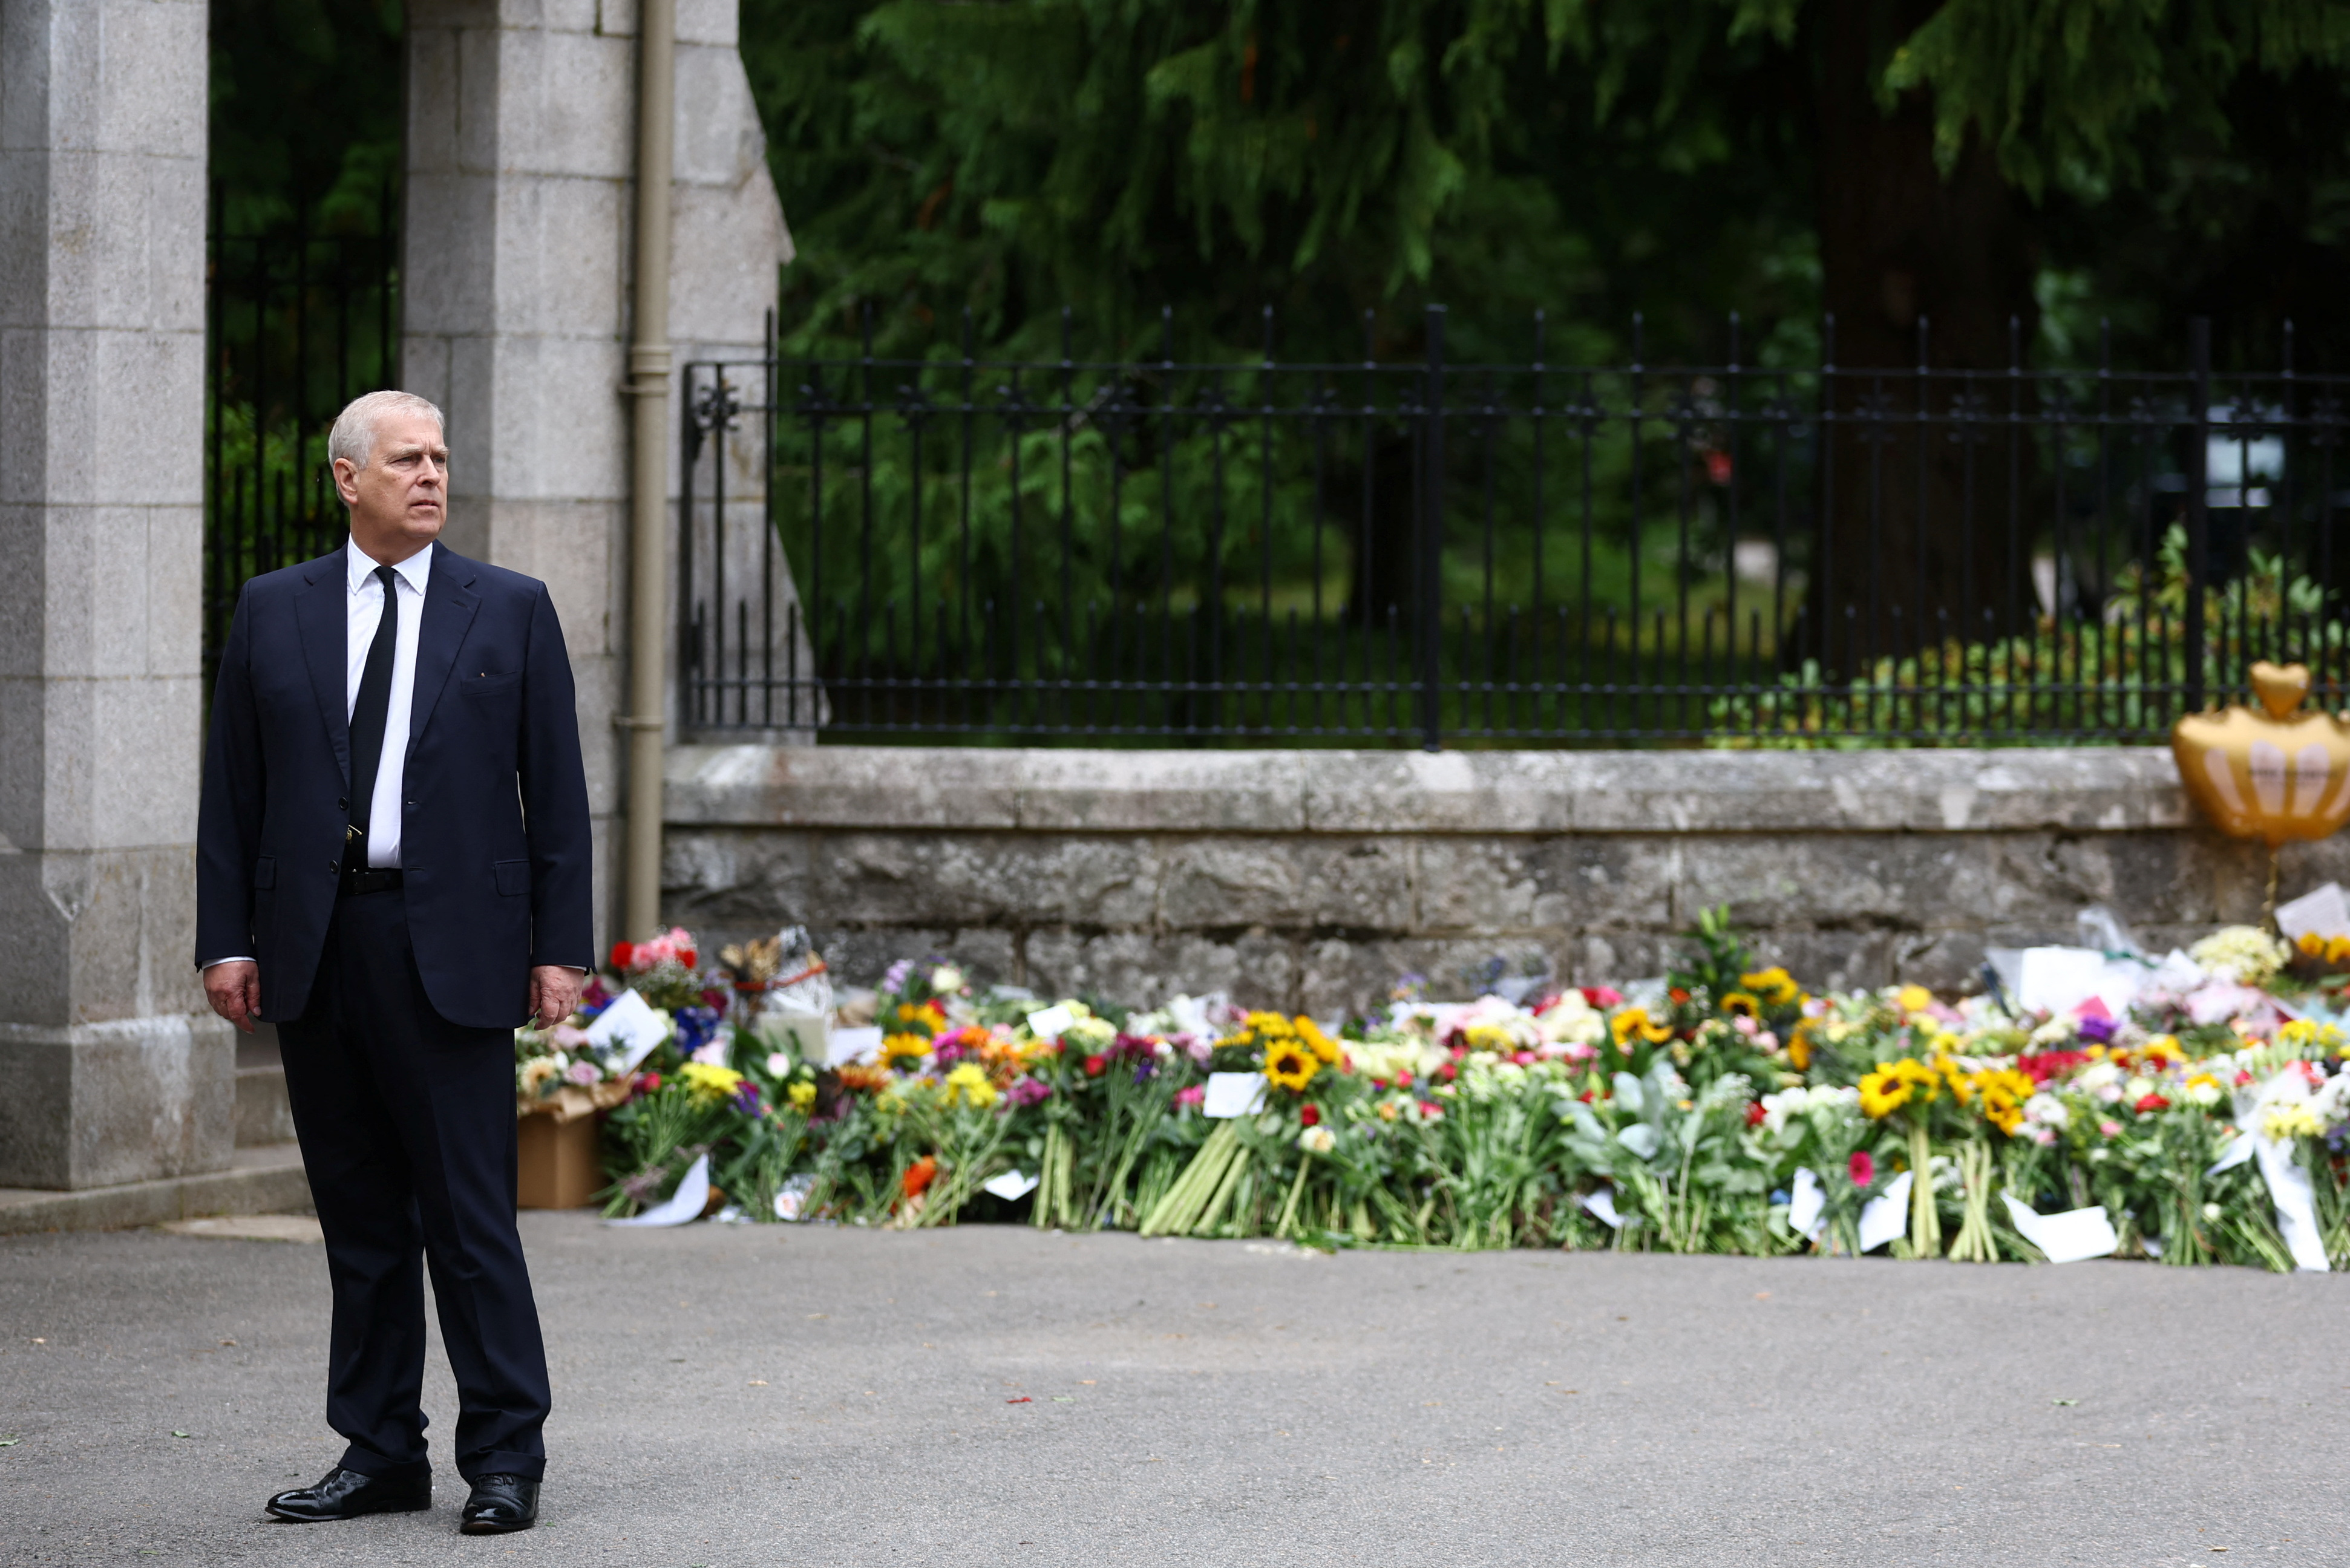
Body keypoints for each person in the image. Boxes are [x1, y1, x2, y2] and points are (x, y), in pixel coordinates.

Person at [195, 390, 592, 1535]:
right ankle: (378, 1450)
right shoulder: (275, 611)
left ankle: (506, 1454)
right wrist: (228, 935)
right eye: (407, 459)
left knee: (470, 1220)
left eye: (441, 457)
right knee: (360, 1218)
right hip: (319, 946)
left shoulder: (508, 610)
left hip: (457, 950)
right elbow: (236, 792)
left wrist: (560, 951)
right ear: (345, 479)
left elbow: (557, 797)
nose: (431, 474)